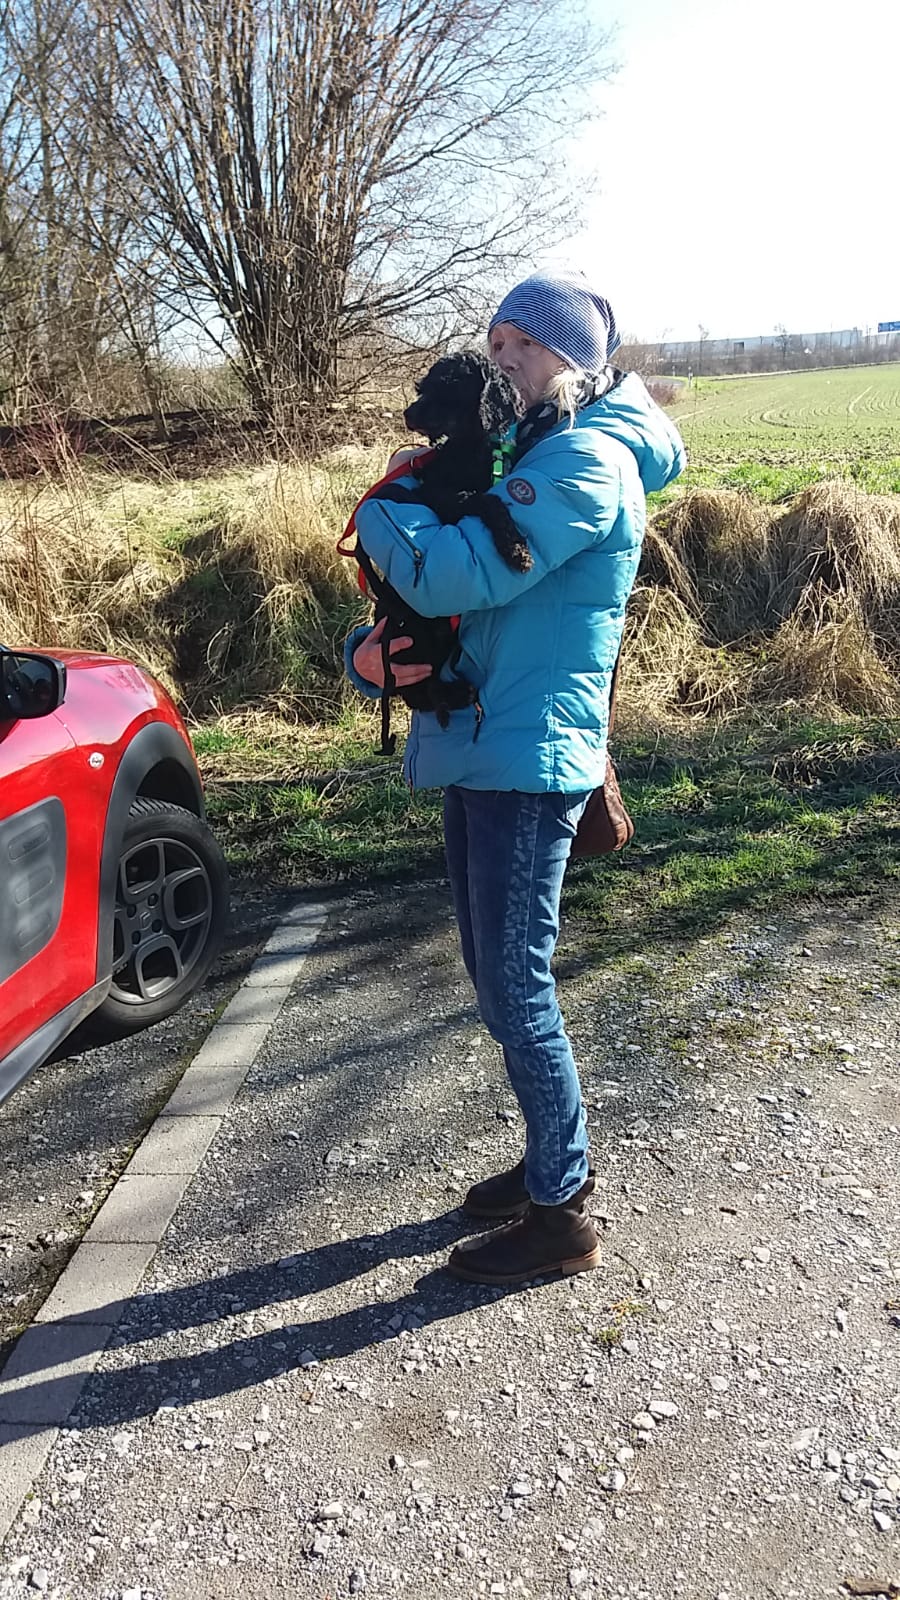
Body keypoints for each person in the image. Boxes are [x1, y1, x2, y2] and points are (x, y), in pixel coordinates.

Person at [344, 270, 686, 1285]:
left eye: (522, 344)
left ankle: (561, 1212)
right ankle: (551, 1156)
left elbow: (453, 571)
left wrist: (384, 499)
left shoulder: (586, 460)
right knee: (496, 981)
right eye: (494, 341)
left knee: (517, 986)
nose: (501, 358)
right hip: (485, 742)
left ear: (571, 359)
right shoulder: (526, 449)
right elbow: (443, 611)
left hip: (528, 758)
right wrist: (367, 657)